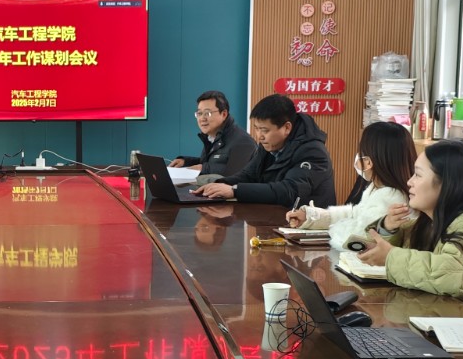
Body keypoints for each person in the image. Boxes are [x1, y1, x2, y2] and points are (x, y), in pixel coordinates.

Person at [358, 140, 463, 298]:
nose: (409, 182)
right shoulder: (432, 221)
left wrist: (391, 257)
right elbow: (411, 253)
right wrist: (388, 228)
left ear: (446, 183)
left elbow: (457, 274)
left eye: (418, 175)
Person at [285, 121, 415, 248]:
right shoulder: (379, 189)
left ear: (369, 161)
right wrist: (311, 216)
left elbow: (357, 237)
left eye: (362, 151)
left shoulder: (391, 199)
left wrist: (332, 230)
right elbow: (354, 213)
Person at [191, 93, 334, 207]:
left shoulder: (313, 152)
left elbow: (289, 191)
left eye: (264, 130)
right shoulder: (269, 144)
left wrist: (234, 191)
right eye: (257, 129)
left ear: (287, 128)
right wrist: (219, 184)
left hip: (309, 227)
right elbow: (248, 175)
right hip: (276, 218)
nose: (259, 136)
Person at [169, 90, 257, 178]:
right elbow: (212, 163)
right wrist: (186, 162)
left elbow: (234, 174)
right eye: (199, 113)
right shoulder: (212, 136)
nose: (202, 118)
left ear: (224, 114)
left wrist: (203, 168)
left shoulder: (243, 141)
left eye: (207, 113)